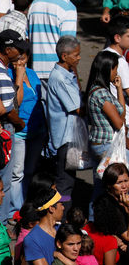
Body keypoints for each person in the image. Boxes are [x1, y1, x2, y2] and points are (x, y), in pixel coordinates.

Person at [0, 29, 28, 221]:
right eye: (18, 50)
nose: (21, 54)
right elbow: (10, 109)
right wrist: (20, 124)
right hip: (3, 129)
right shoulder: (0, 72)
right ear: (8, 50)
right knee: (3, 182)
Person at [7, 49, 45, 211]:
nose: (19, 63)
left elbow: (40, 99)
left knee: (30, 171)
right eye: (15, 60)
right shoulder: (9, 75)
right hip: (20, 132)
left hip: (37, 130)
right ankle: (17, 210)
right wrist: (19, 77)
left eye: (22, 58)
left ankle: (26, 204)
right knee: (17, 173)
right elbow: (16, 102)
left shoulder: (33, 73)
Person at [46, 36, 82, 201]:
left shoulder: (67, 73)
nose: (79, 58)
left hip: (68, 137)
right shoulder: (60, 78)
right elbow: (77, 106)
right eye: (75, 55)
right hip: (63, 140)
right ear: (64, 56)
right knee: (64, 183)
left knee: (69, 179)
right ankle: (60, 219)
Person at [86, 50, 125, 199]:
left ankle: (94, 218)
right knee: (111, 188)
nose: (116, 72)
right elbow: (119, 123)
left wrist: (119, 88)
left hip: (101, 144)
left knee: (100, 186)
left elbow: (121, 112)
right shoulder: (100, 93)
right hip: (107, 146)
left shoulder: (101, 90)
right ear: (108, 69)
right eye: (115, 68)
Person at [27, 0, 76, 81]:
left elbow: (28, 37)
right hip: (58, 73)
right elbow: (68, 47)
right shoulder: (68, 7)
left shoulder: (35, 4)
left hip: (35, 72)